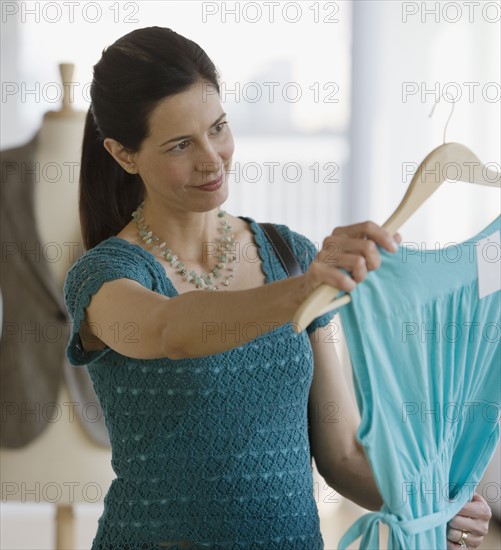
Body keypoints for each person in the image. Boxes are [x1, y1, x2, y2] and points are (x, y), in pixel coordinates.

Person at [63, 26, 491, 549]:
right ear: (124, 154)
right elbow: (169, 329)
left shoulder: (288, 254)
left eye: (218, 128)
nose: (212, 159)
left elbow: (342, 455)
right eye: (181, 144)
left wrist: (430, 508)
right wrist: (309, 287)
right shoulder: (105, 276)